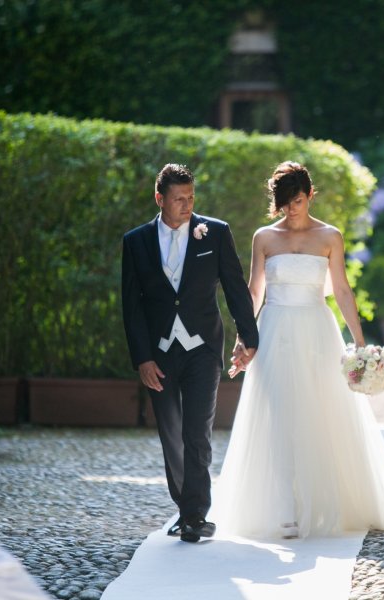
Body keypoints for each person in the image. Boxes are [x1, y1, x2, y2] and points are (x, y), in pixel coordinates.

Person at [216, 161, 384, 539]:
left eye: (299, 200)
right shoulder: (264, 238)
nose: (292, 208)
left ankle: (320, 503)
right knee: (276, 412)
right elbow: (255, 292)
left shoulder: (329, 237)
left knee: (321, 412)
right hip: (273, 329)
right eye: (285, 202)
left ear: (310, 195)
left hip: (317, 331)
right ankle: (283, 507)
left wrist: (358, 340)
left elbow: (341, 290)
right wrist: (244, 337)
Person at [122, 163, 258, 543]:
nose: (186, 205)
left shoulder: (215, 232)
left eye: (191, 197)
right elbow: (131, 305)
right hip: (159, 354)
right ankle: (184, 507)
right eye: (178, 199)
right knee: (172, 435)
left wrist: (249, 337)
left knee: (197, 432)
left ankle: (196, 515)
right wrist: (142, 358)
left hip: (202, 347)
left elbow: (234, 287)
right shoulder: (135, 242)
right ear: (159, 199)